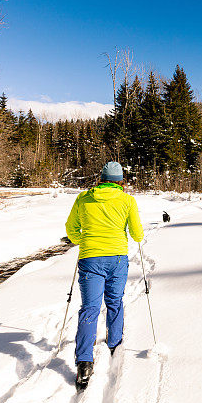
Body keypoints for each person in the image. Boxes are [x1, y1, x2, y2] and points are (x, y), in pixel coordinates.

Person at [65, 161, 144, 390]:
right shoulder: (127, 200)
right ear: (121, 181)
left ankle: (84, 363)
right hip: (117, 259)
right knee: (114, 302)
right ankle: (114, 344)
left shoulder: (84, 198)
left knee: (90, 308)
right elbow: (137, 234)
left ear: (101, 178)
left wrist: (84, 242)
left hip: (90, 259)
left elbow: (71, 229)